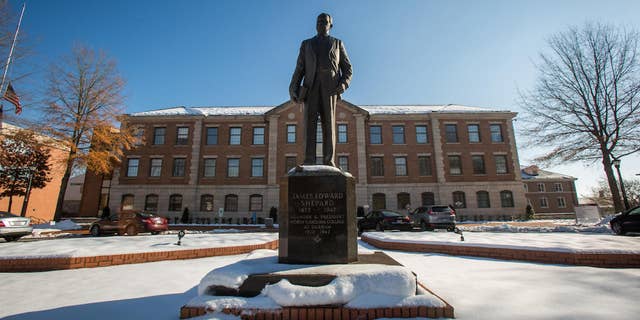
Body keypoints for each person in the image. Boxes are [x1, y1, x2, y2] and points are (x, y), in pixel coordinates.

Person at [289, 13, 353, 167]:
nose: (321, 24)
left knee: (329, 123)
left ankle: (329, 160)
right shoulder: (307, 44)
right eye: (319, 21)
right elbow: (300, 68)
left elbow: (348, 69)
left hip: (330, 88)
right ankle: (309, 160)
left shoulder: (337, 43)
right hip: (310, 87)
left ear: (330, 25)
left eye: (325, 21)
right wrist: (293, 87)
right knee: (309, 124)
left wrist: (342, 85)